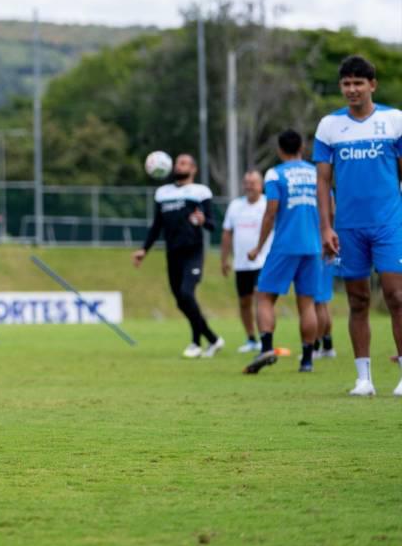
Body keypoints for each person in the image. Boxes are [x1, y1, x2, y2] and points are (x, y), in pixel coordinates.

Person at [314, 55, 402, 397]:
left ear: (372, 85)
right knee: (358, 300)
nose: (352, 89)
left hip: (389, 223)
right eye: (346, 84)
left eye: (358, 83)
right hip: (348, 227)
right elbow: (323, 182)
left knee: (396, 296)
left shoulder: (394, 121)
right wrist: (326, 227)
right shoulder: (329, 126)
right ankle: (363, 379)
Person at [242, 130, 322, 374]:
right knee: (307, 303)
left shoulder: (275, 173)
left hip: (285, 245)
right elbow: (330, 207)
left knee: (264, 296)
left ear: (279, 149)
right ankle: (307, 360)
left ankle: (266, 347)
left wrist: (258, 246)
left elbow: (271, 211)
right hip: (313, 245)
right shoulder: (316, 172)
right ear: (302, 147)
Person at [132, 153, 224, 358]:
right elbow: (156, 226)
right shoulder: (162, 193)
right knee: (181, 301)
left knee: (186, 294)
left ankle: (196, 343)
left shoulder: (200, 192)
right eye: (177, 163)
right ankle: (212, 339)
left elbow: (212, 224)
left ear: (193, 169)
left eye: (183, 163)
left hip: (193, 252)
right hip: (172, 254)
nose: (178, 166)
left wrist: (203, 221)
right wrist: (144, 250)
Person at [220, 170, 272, 352]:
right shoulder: (235, 205)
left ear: (261, 185)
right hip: (241, 263)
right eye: (246, 182)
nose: (249, 186)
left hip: (263, 261)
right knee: (244, 302)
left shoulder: (268, 204)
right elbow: (227, 233)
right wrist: (224, 259)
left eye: (253, 183)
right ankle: (251, 339)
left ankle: (265, 338)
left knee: (261, 299)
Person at [313, 257, 338, 359]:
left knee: (318, 304)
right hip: (328, 261)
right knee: (324, 304)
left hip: (321, 259)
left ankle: (315, 349)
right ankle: (328, 347)